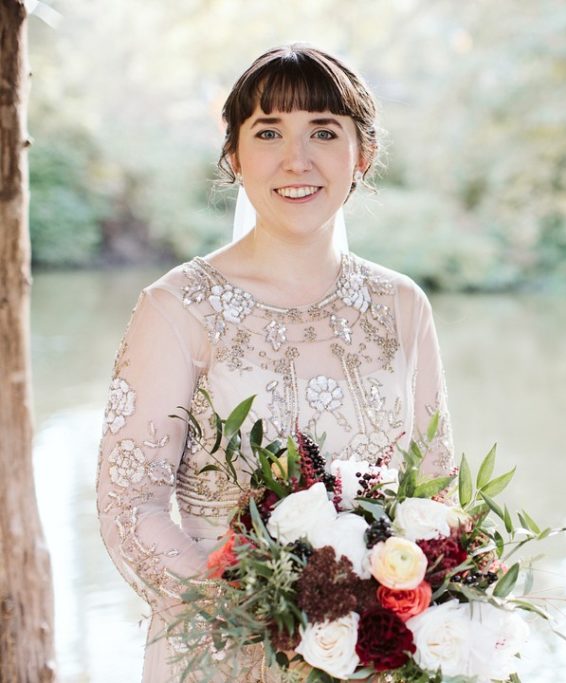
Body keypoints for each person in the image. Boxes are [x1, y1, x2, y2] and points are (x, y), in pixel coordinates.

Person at [96, 44, 454, 682]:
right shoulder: (178, 308)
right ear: (234, 156)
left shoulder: (403, 305)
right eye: (269, 132)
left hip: (378, 655)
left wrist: (405, 613)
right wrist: (265, 619)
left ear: (362, 156)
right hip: (225, 645)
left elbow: (435, 485)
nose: (298, 159)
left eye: (324, 131)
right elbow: (132, 507)